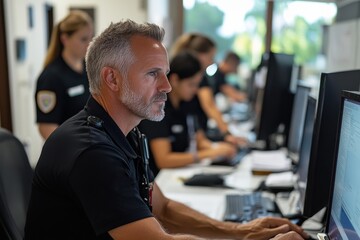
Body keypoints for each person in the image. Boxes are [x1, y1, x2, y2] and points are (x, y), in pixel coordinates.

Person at [24, 19, 308, 240]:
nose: (167, 86)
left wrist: (242, 230)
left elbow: (162, 208)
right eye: (152, 74)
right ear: (111, 78)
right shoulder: (91, 151)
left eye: (165, 73)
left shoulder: (124, 134)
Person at [138, 51, 237, 176]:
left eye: (197, 84)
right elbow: (163, 160)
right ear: (174, 80)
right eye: (191, 84)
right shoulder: (157, 108)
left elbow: (200, 140)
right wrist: (208, 154)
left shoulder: (187, 104)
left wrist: (218, 148)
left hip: (178, 173)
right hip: (160, 180)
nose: (195, 90)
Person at [170, 33, 246, 146]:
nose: (212, 62)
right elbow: (209, 105)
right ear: (198, 55)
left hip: (196, 132)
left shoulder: (200, 76)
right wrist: (227, 134)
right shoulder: (197, 77)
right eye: (210, 57)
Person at [35, 10, 94, 139]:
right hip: (70, 151)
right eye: (83, 39)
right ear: (65, 39)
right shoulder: (51, 77)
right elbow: (47, 128)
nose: (89, 44)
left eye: (91, 38)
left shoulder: (89, 69)